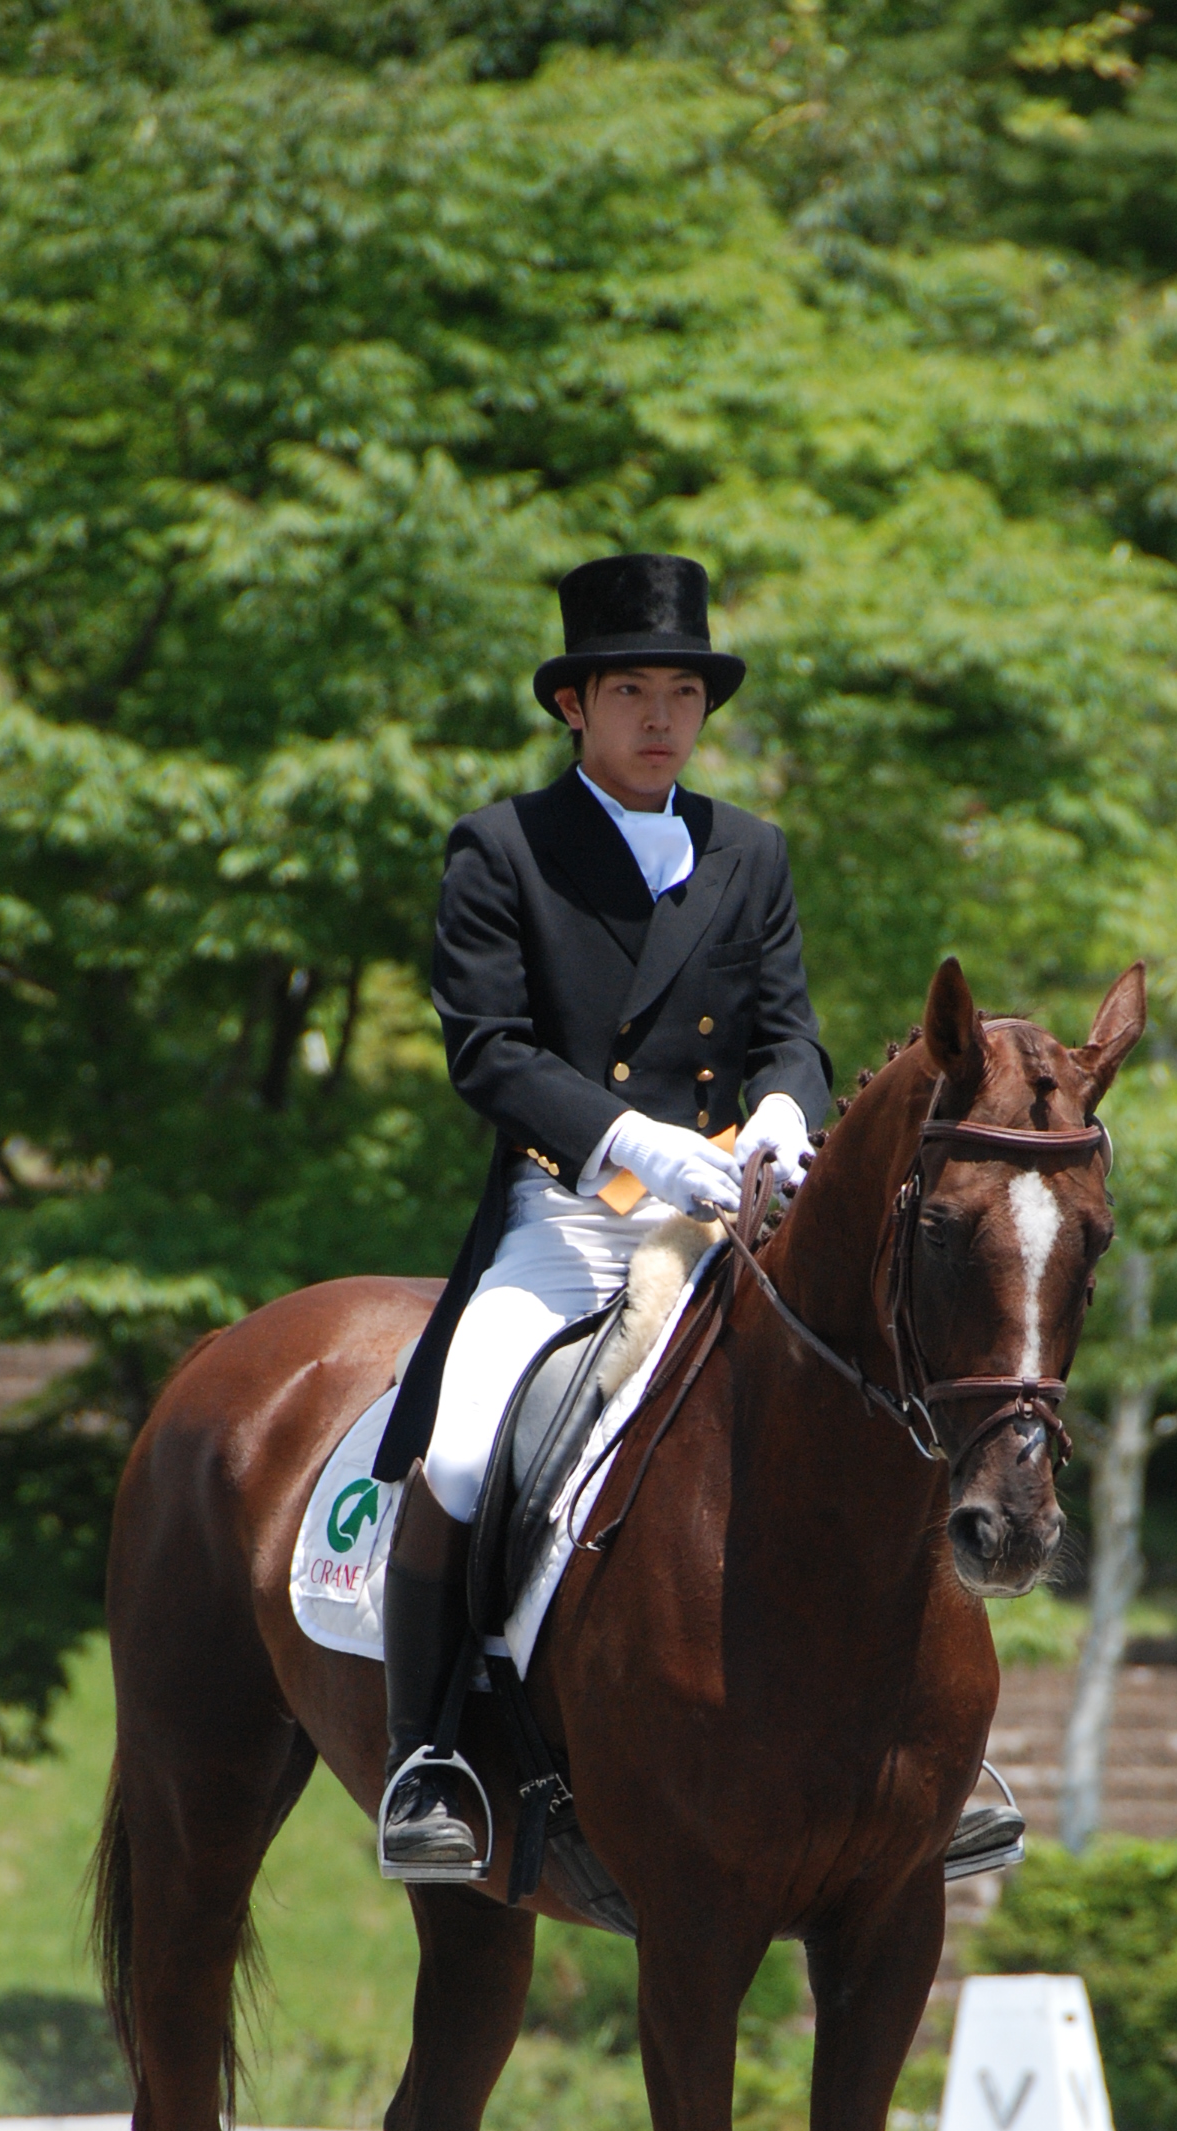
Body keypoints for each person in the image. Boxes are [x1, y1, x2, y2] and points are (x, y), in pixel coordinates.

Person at [371, 553, 834, 1879]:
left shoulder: (752, 851)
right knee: (460, 1451)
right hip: (566, 1221)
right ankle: (431, 1755)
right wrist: (634, 1142)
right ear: (576, 705)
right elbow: (490, 1052)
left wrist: (789, 1110)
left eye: (681, 692)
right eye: (629, 690)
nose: (659, 718)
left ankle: (915, 1741)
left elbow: (790, 1034)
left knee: (870, 1403)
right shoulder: (503, 848)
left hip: (725, 1226)